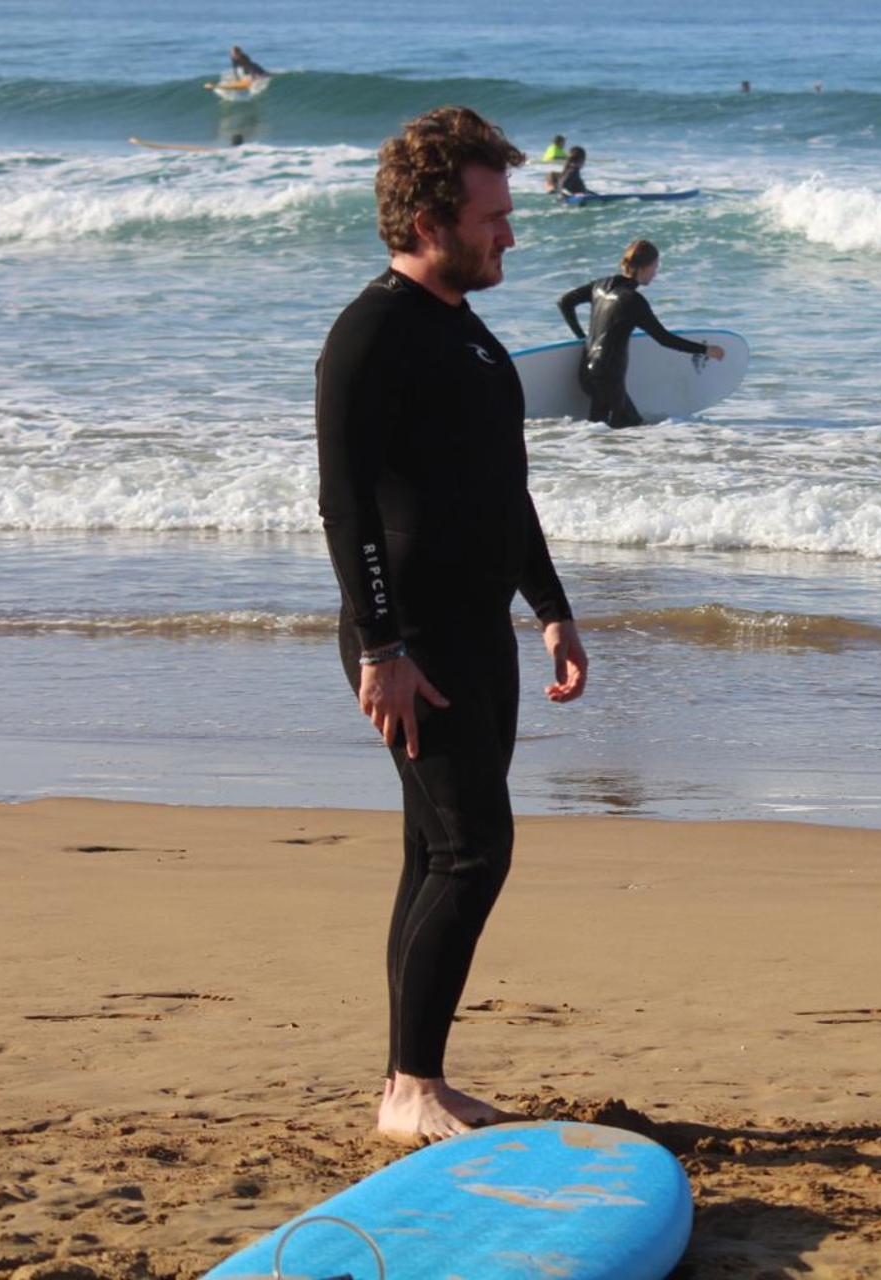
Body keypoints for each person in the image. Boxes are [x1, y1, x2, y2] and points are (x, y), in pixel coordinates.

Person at [316, 105, 589, 1145]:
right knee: (473, 850)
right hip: (413, 640)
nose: (510, 233)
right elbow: (344, 503)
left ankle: (412, 1076)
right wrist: (381, 647)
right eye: (493, 216)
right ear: (433, 218)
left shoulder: (465, 332)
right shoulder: (371, 333)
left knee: (434, 851)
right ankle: (408, 1086)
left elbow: (502, 491)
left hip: (476, 628)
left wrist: (552, 608)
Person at [555, 239, 725, 428]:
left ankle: (589, 455)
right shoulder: (633, 301)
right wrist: (705, 350)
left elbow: (564, 302)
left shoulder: (601, 286)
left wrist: (582, 337)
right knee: (632, 426)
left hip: (587, 371)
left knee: (602, 430)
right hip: (608, 376)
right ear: (643, 267)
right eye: (655, 267)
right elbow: (664, 339)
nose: (655, 273)